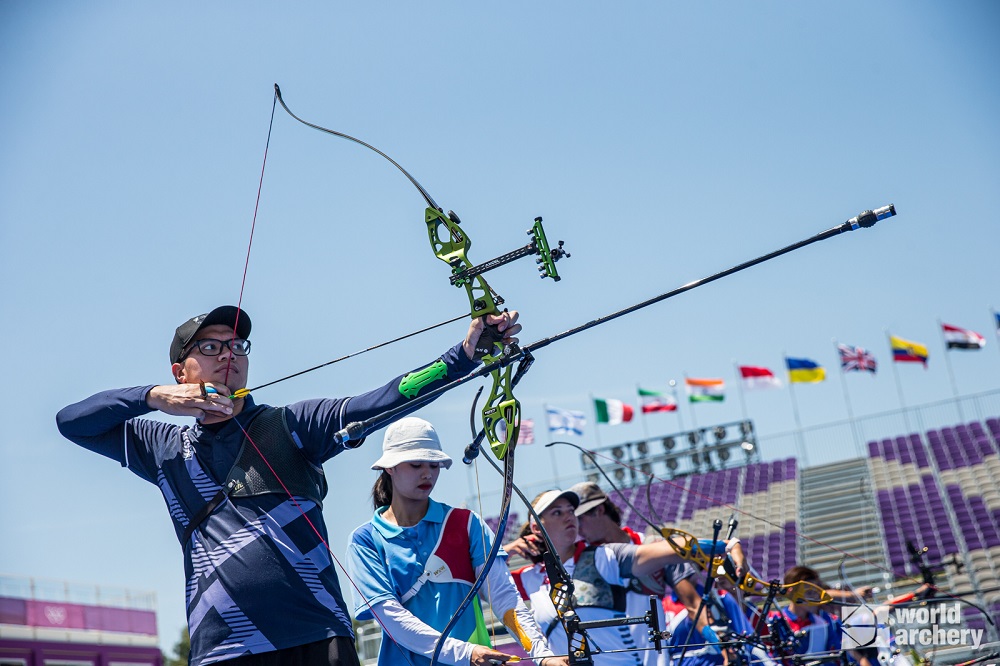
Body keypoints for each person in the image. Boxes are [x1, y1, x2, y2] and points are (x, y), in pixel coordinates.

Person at [55, 305, 520, 666]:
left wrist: (461, 358)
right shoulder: (162, 445)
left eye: (238, 345)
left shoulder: (291, 425)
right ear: (182, 371)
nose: (229, 355)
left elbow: (386, 399)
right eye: (211, 347)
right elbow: (71, 422)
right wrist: (152, 397)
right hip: (223, 648)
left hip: (317, 638)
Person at [346, 417, 569, 666]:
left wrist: (544, 657)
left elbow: (506, 599)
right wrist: (465, 653)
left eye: (434, 465)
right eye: (416, 464)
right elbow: (390, 618)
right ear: (390, 467)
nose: (427, 473)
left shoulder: (467, 524)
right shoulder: (365, 540)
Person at [509, 489, 743, 666]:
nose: (569, 516)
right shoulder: (530, 578)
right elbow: (483, 586)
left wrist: (724, 545)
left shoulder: (604, 557)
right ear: (536, 528)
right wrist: (508, 549)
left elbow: (668, 549)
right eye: (557, 513)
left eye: (571, 511)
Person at [766, 566, 842, 660]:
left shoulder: (825, 621)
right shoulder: (776, 621)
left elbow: (836, 657)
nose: (815, 597)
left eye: (816, 592)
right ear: (791, 592)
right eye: (809, 592)